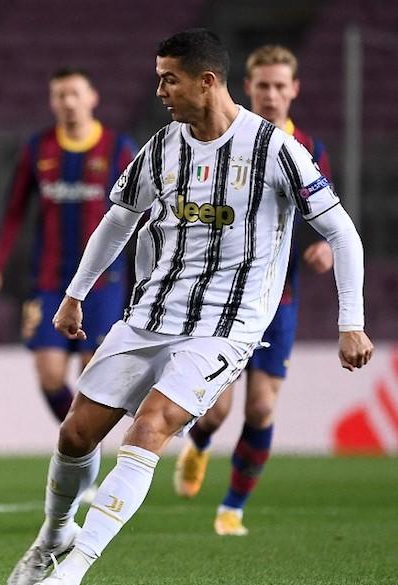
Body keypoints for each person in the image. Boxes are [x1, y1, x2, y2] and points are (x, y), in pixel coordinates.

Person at [7, 29, 373, 585]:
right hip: (151, 312)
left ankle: (72, 571)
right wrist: (76, 293)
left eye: (168, 79)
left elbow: (342, 233)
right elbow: (118, 219)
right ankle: (53, 536)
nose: (159, 91)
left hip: (225, 327)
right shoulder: (162, 147)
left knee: (150, 427)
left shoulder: (274, 149)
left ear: (206, 82)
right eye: (158, 79)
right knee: (75, 433)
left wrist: (351, 321)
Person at [173, 44, 336, 536]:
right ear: (248, 87)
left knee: (261, 406)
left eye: (279, 86)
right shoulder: (230, 139)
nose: (271, 94)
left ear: (294, 90)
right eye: (263, 85)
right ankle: (200, 443)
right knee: (216, 406)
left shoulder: (308, 149)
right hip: (224, 295)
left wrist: (324, 247)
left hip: (277, 298)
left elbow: (324, 216)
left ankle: (232, 508)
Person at [0, 67, 135, 425]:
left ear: (92, 98)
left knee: (93, 378)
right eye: (61, 95)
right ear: (52, 102)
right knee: (49, 375)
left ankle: (81, 447)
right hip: (48, 281)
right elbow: (13, 212)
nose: (68, 102)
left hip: (103, 282)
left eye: (75, 93)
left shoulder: (119, 148)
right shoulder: (37, 149)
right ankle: (78, 442)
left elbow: (145, 210)